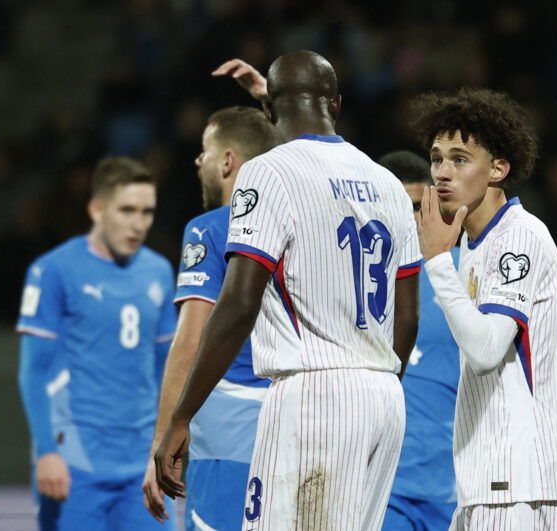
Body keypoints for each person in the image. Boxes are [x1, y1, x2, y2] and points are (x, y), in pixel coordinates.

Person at [155, 50, 421, 530]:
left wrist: (181, 415)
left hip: (313, 397)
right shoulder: (387, 184)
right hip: (384, 396)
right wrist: (373, 386)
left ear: (271, 113)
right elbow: (408, 317)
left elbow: (237, 305)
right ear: (336, 105)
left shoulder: (266, 172)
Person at [413, 88, 557, 529]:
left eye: (460, 159)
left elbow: (487, 351)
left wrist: (435, 262)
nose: (442, 172)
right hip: (490, 478)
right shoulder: (471, 243)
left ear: (499, 169)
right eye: (436, 158)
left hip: (518, 480)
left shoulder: (518, 239)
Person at [16, 157, 178, 530]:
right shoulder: (53, 270)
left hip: (141, 467)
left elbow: (164, 368)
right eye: (127, 210)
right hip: (76, 462)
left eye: (147, 211)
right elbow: (33, 371)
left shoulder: (158, 271)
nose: (138, 223)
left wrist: (163, 449)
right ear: (96, 209)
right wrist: (46, 452)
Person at [141, 106, 282, 530]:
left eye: (206, 150)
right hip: (300, 417)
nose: (198, 160)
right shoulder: (303, 224)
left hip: (229, 422)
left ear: (228, 161)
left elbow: (190, 342)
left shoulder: (211, 228)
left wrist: (162, 440)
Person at [378, 151, 459, 531]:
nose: (410, 221)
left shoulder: (465, 272)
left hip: (458, 490)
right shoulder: (354, 279)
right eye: (400, 207)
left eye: (418, 207)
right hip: (383, 488)